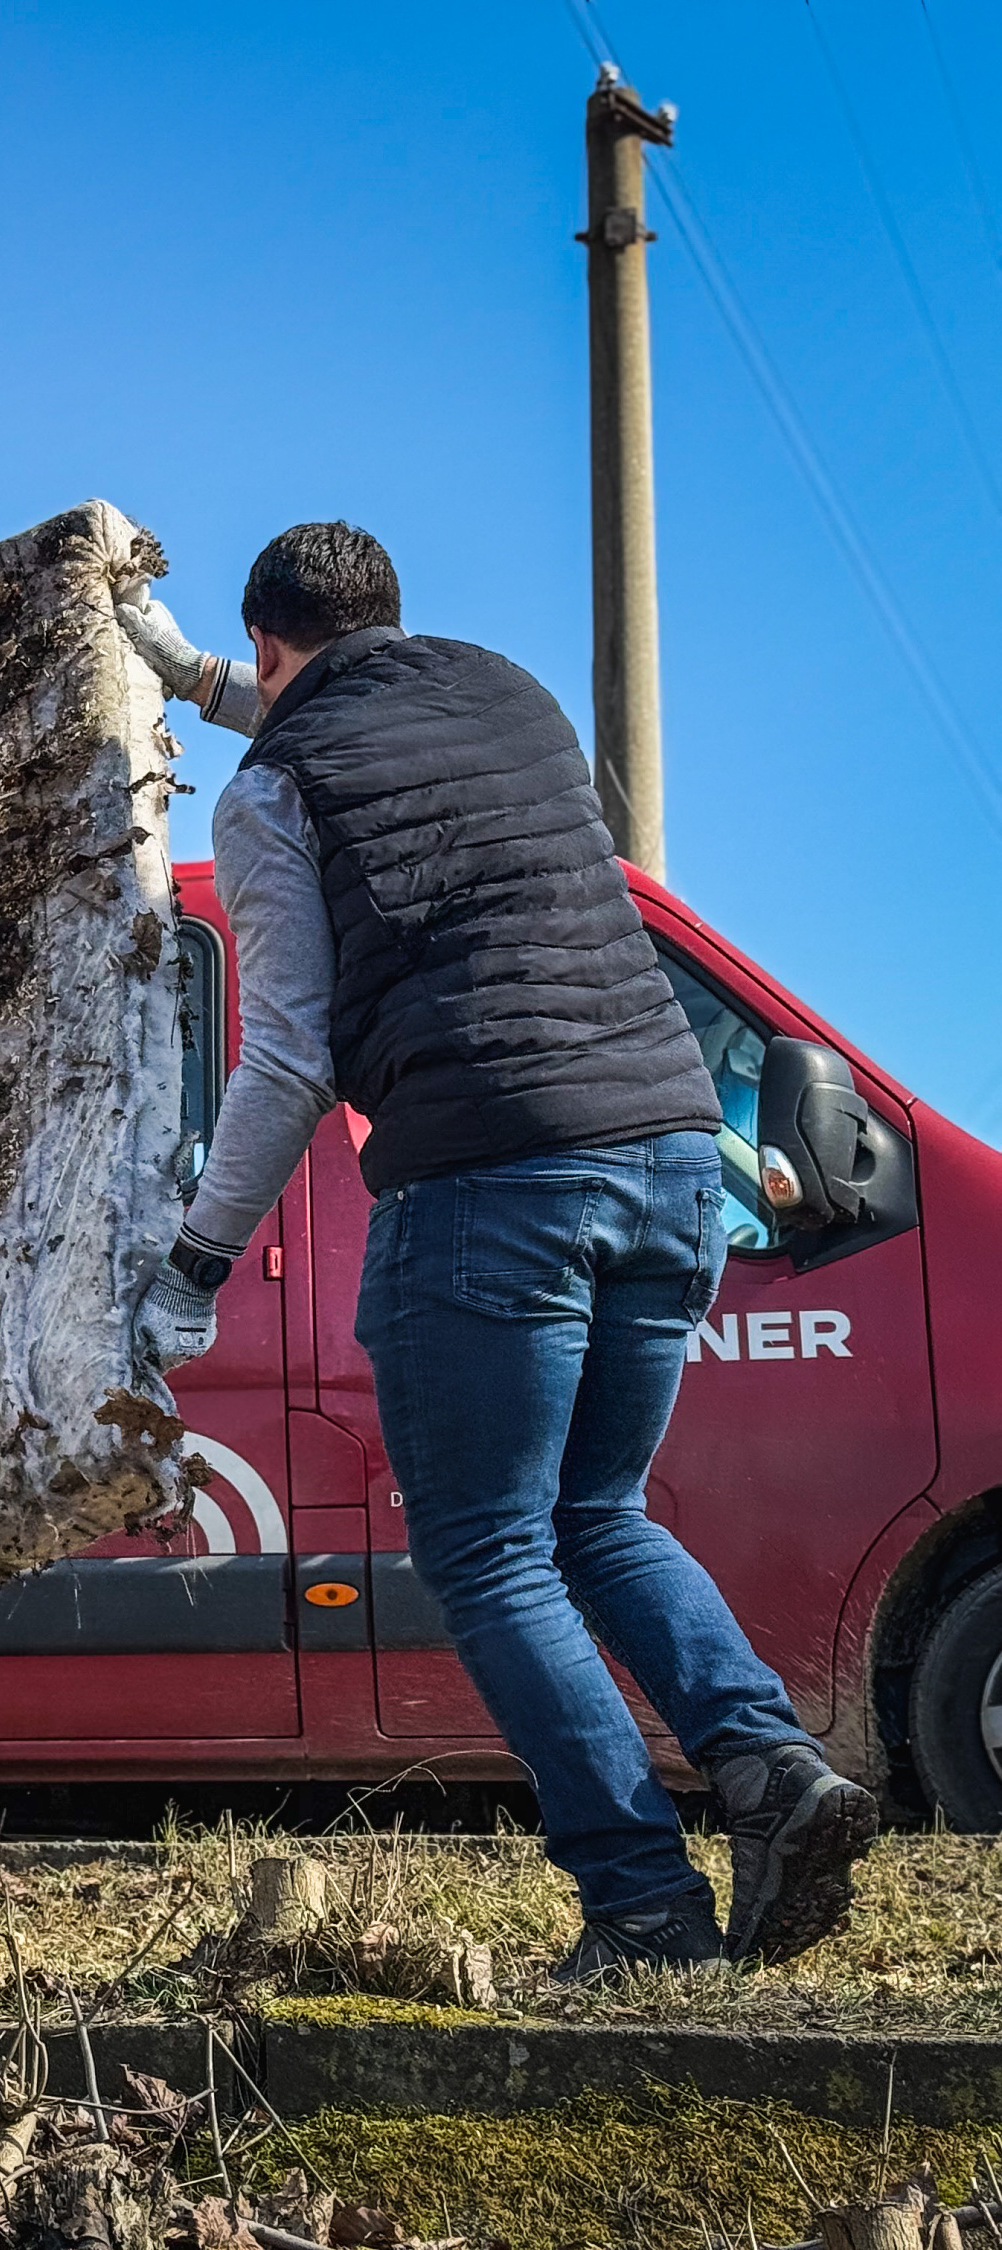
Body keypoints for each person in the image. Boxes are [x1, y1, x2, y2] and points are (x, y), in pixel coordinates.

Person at [116, 524, 878, 1982]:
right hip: (664, 1160)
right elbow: (352, 719)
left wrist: (195, 1263)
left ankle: (645, 1907)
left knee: (487, 1548)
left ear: (271, 644)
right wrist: (195, 677)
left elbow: (280, 1060)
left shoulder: (277, 786)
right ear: (385, 615)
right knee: (601, 1511)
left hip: (488, 1186)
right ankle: (773, 1772)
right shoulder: (509, 693)